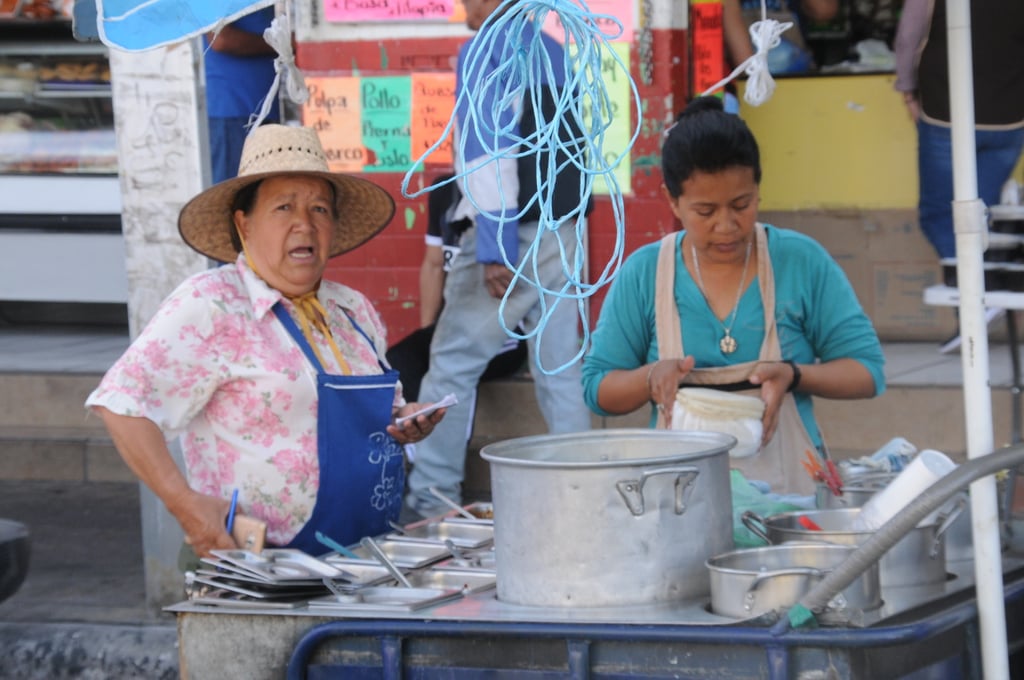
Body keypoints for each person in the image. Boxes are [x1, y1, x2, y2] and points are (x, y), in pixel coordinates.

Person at [86, 125, 446, 559]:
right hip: (260, 565)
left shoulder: (353, 309)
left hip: (369, 552)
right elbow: (123, 403)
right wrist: (185, 505)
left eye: (319, 209)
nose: (304, 224)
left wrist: (405, 419)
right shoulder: (212, 305)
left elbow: (370, 419)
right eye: (283, 207)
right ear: (244, 224)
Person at [581, 96, 885, 494]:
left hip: (791, 497)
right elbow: (598, 390)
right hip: (678, 497)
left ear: (758, 189)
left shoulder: (800, 260)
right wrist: (650, 377)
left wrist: (794, 375)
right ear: (673, 200)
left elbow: (866, 372)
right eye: (705, 211)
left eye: (741, 205)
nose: (726, 226)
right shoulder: (646, 273)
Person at [402, 0, 593, 520]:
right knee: (558, 366)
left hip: (514, 227)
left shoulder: (483, 49)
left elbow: (490, 152)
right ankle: (583, 495)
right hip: (564, 225)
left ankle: (431, 503)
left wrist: (494, 248)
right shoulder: (551, 47)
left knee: (452, 363)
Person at [894, 0, 1024, 261]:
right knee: (982, 216)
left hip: (946, 114)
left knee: (940, 217)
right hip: (1010, 118)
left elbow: (908, 38)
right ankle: (988, 290)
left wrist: (908, 91)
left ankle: (978, 295)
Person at [385, 175, 527, 403]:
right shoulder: (446, 190)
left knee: (457, 359)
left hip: (507, 333)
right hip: (453, 327)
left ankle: (443, 437)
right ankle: (410, 432)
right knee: (399, 360)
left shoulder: (515, 191)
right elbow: (433, 265)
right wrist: (429, 334)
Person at [204, 7, 279, 184]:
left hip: (264, 107)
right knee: (233, 195)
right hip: (234, 110)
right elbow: (221, 40)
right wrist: (281, 43)